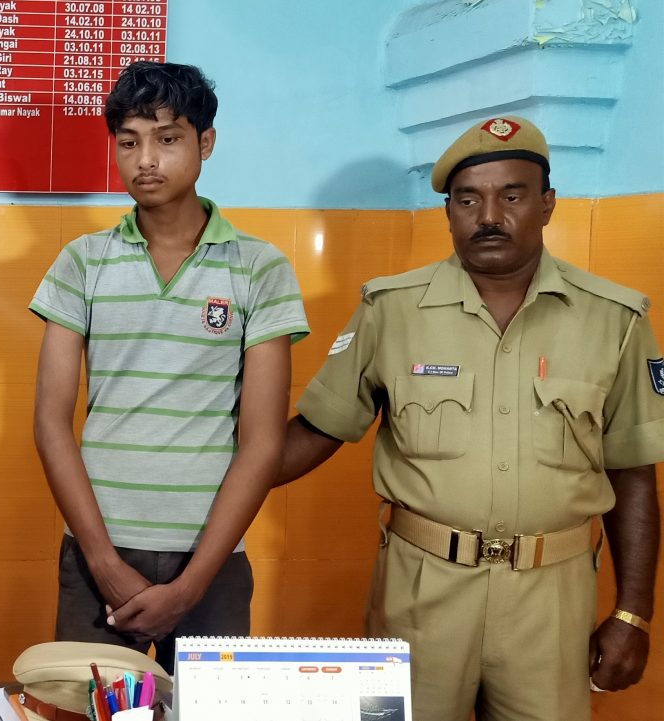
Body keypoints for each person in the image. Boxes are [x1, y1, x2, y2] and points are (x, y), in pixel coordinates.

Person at [279, 115, 660, 720]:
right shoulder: (391, 310)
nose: (489, 215)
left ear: (547, 204)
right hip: (420, 591)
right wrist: (202, 470)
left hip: (552, 599)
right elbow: (318, 430)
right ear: (449, 212)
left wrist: (633, 614)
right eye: (468, 199)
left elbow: (633, 473)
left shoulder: (615, 320)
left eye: (512, 196)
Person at [30, 61, 309, 671]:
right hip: (97, 556)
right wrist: (103, 564)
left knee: (208, 711)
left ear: (205, 143)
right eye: (129, 142)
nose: (146, 160)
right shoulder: (82, 263)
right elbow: (50, 423)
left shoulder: (259, 268)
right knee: (93, 710)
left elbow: (263, 441)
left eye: (168, 138)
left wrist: (191, 585)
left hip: (212, 562)